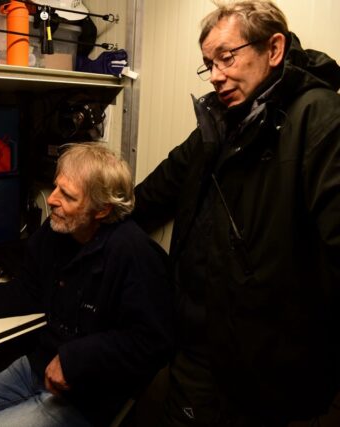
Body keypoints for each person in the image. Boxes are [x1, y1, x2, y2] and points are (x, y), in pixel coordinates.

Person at [131, 1, 340, 425]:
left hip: (271, 367)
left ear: (274, 49)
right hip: (199, 350)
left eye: (226, 57)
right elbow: (150, 196)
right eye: (208, 63)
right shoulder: (218, 124)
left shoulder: (319, 118)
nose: (215, 75)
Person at [0, 142, 174, 426]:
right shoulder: (55, 235)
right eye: (56, 187)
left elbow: (153, 342)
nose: (51, 200)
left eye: (68, 195)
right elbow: (29, 290)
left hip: (89, 393)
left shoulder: (134, 254)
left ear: (101, 210)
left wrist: (74, 360)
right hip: (41, 366)